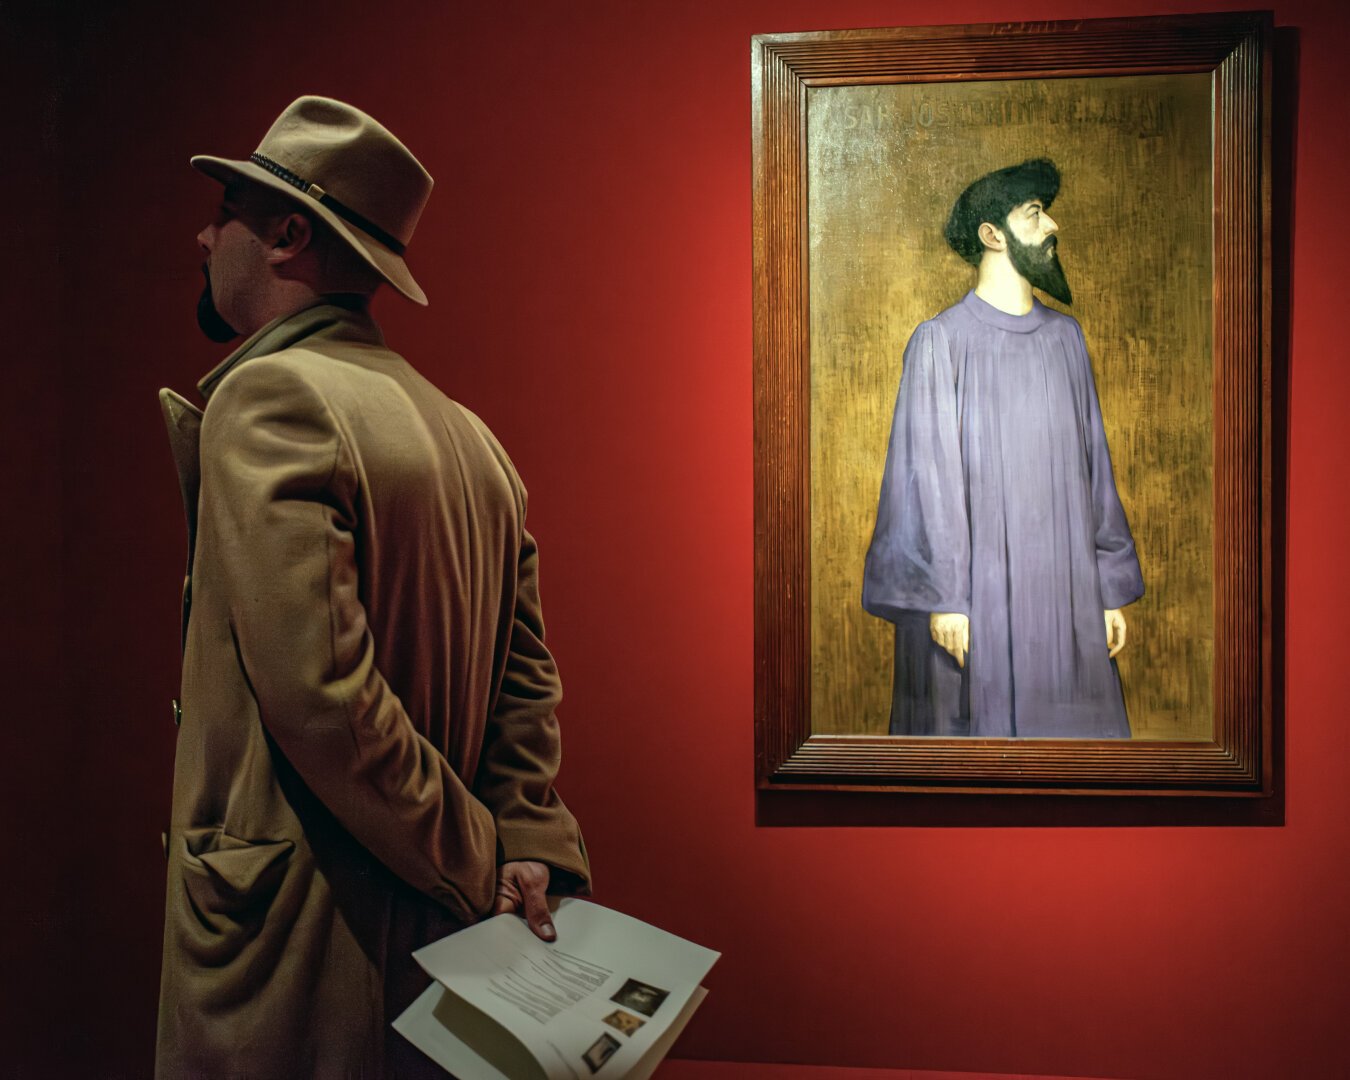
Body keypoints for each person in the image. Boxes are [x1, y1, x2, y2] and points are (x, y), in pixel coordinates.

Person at [156, 96, 590, 1079]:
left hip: (299, 945)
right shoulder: (471, 437)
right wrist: (522, 838)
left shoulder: (271, 398)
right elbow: (527, 688)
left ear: (287, 236)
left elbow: (328, 703)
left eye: (224, 210)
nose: (202, 233)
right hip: (441, 946)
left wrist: (481, 856)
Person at [862, 158, 1144, 739]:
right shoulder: (940, 342)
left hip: (1064, 597)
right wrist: (944, 599)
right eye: (1035, 213)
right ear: (993, 234)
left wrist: (1110, 587)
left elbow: (1095, 474)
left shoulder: (1067, 340)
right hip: (973, 604)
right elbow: (925, 482)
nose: (1052, 226)